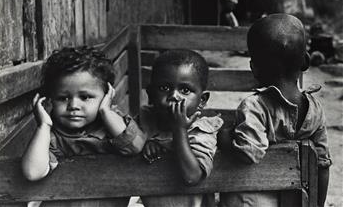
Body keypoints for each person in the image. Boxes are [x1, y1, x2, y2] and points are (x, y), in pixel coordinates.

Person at [219, 14, 331, 207]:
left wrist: (225, 139)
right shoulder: (315, 110)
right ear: (305, 61)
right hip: (296, 200)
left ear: (254, 68)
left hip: (252, 200)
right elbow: (322, 164)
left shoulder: (254, 107)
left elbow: (249, 152)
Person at [21, 46, 146, 207]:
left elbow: (135, 146)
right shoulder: (53, 136)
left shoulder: (112, 124)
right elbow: (32, 172)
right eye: (63, 98)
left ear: (107, 95)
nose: (73, 105)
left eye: (85, 97)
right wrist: (43, 126)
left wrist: (105, 111)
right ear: (50, 99)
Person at [138, 49, 223, 207]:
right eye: (164, 88)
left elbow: (192, 176)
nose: (174, 96)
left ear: (202, 100)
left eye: (185, 90)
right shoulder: (145, 120)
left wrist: (179, 130)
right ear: (150, 94)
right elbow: (127, 142)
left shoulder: (203, 130)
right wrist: (145, 143)